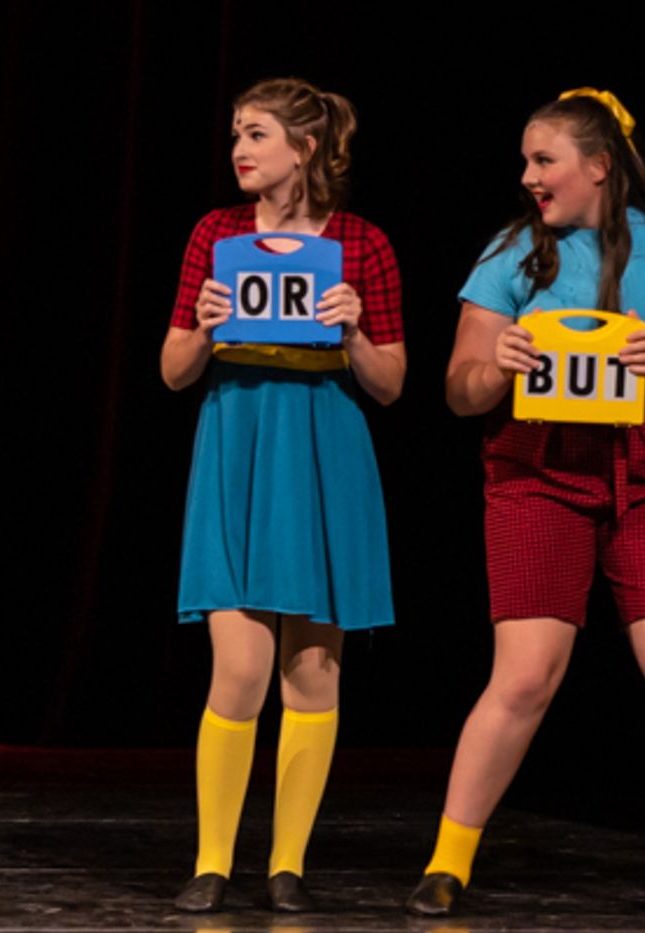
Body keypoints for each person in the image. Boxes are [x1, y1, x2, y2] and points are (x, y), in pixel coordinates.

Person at [404, 88, 645, 920]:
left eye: (544, 159)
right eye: (526, 160)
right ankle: (448, 861)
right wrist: (499, 368)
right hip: (537, 467)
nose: (528, 176)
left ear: (599, 166)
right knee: (525, 676)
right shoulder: (512, 255)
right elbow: (458, 388)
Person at [161, 77, 405, 914]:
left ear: (303, 149)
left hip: (322, 444)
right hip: (238, 439)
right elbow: (172, 370)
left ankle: (287, 863)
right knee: (239, 665)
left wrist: (356, 329)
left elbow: (392, 382)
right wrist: (200, 322)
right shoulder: (215, 234)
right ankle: (213, 860)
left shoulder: (362, 242)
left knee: (312, 667)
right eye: (236, 132)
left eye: (257, 134)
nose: (239, 148)